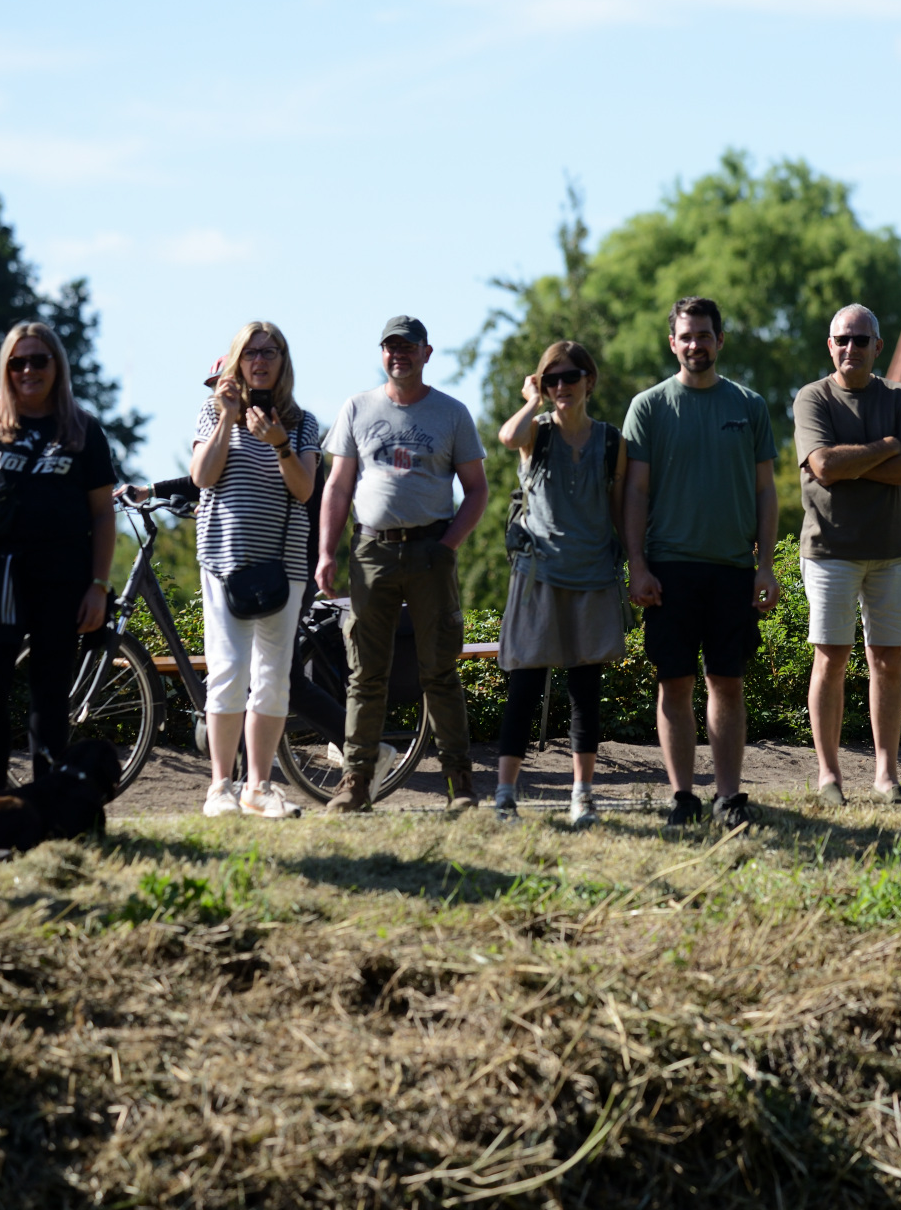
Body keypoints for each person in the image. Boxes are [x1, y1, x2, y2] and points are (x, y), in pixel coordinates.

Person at [316, 316, 489, 813]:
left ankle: (460, 784)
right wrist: (327, 553)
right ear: (383, 352)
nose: (400, 355)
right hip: (371, 551)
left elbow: (476, 490)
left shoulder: (451, 413)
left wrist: (449, 543)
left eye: (409, 347)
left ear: (427, 353)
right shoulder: (357, 407)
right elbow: (337, 486)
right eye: (392, 347)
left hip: (432, 549)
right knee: (366, 672)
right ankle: (356, 783)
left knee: (440, 670)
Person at [623, 296, 781, 828]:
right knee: (674, 683)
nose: (696, 344)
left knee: (727, 682)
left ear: (720, 340)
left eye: (705, 335)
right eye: (686, 336)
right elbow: (635, 493)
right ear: (673, 342)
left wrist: (766, 565)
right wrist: (637, 565)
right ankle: (683, 797)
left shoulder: (749, 405)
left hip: (733, 568)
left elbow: (766, 492)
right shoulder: (648, 407)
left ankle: (730, 798)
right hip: (669, 569)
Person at [0, 322, 118, 792]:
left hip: (63, 576)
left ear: (56, 366)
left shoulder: (83, 428)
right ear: (5, 368)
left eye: (38, 360)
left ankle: (47, 801)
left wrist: (98, 586)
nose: (27, 370)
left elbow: (103, 515)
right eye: (17, 362)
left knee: (49, 691)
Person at [794, 303, 901, 807]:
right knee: (830, 658)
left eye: (860, 339)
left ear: (878, 345)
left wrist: (856, 461)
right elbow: (824, 465)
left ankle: (886, 776)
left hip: (890, 549)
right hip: (830, 549)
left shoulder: (900, 396)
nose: (851, 348)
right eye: (841, 340)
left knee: (887, 662)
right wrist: (887, 446)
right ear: (830, 346)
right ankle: (829, 778)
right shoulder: (812, 398)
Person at [492, 341, 628, 827]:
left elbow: (617, 510)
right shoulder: (537, 433)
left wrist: (636, 565)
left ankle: (582, 796)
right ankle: (505, 795)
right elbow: (509, 438)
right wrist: (531, 400)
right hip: (539, 576)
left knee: (583, 690)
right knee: (525, 688)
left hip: (592, 575)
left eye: (570, 377)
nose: (562, 387)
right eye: (552, 380)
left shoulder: (612, 440)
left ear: (589, 380)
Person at [190, 322, 320, 819]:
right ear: (237, 361)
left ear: (283, 361)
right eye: (251, 352)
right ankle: (220, 787)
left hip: (282, 566)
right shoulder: (211, 410)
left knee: (273, 679)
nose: (260, 360)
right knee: (227, 672)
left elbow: (305, 490)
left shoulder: (302, 421)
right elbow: (203, 476)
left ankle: (259, 786)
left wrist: (281, 443)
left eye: (271, 352)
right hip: (224, 561)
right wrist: (226, 417)